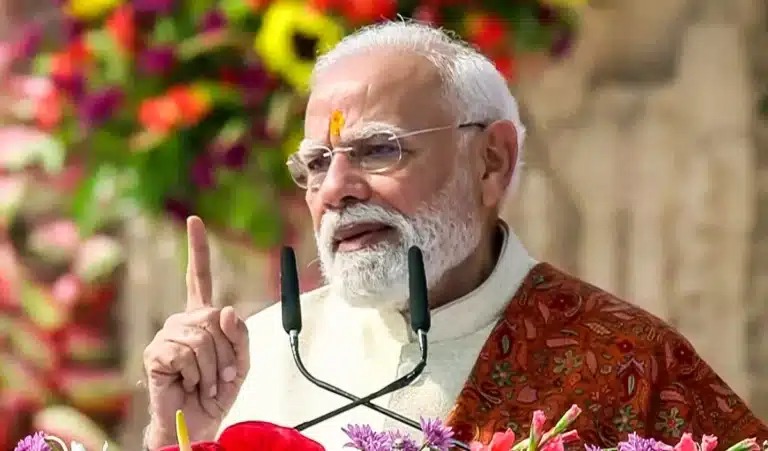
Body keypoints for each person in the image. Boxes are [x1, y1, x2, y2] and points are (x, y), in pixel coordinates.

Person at [141, 21, 768, 450]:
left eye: (378, 150)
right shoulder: (254, 363)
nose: (335, 189)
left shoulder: (625, 364)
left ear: (491, 161)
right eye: (316, 163)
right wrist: (177, 438)